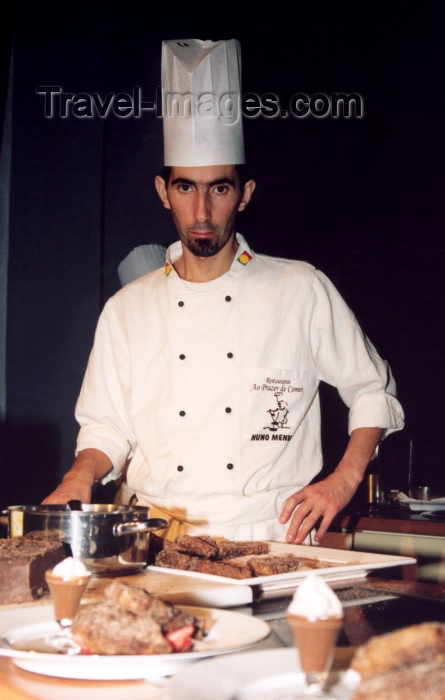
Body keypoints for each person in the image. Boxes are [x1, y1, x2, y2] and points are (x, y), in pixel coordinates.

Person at [43, 39, 404, 544]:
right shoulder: (126, 310)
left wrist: (341, 483)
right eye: (186, 187)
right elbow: (106, 429)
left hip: (276, 540)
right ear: (163, 192)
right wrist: (78, 475)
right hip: (156, 542)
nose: (203, 213)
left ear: (246, 193)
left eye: (220, 188)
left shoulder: (298, 288)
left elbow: (372, 391)